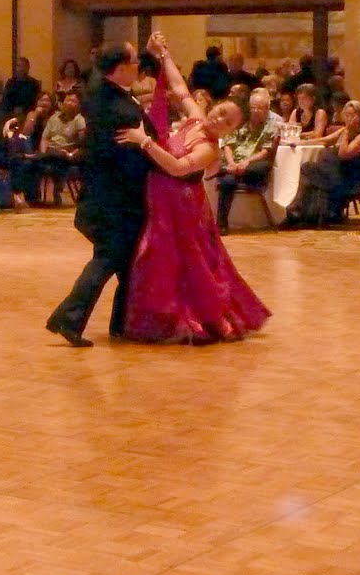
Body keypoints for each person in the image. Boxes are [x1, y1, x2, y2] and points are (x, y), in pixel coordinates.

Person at [114, 35, 271, 344]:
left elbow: (177, 167)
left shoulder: (209, 149)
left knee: (182, 263)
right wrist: (164, 55)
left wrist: (143, 140)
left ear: (231, 131)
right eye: (221, 111)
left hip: (181, 208)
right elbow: (179, 88)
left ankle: (192, 319)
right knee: (162, 261)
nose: (219, 118)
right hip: (162, 199)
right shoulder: (196, 119)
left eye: (227, 121)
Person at [44, 43, 154, 348]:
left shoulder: (104, 93)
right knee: (108, 259)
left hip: (108, 198)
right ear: (119, 68)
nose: (139, 67)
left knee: (127, 263)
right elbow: (125, 156)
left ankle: (122, 324)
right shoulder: (117, 107)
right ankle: (69, 318)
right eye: (134, 62)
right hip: (114, 201)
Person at [214, 87, 279, 231]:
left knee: (263, 166)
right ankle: (221, 225)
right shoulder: (239, 122)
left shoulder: (271, 126)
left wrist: (246, 162)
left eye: (259, 108)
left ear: (267, 108)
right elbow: (227, 144)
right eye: (253, 108)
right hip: (234, 166)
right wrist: (232, 163)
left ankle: (229, 171)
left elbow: (265, 152)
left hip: (252, 168)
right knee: (228, 181)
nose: (255, 111)